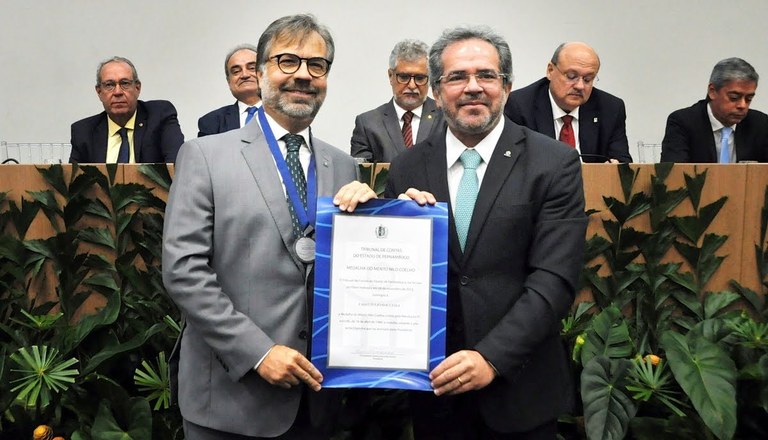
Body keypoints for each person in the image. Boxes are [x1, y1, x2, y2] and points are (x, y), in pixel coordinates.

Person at [162, 14, 375, 440]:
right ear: (259, 73)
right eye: (287, 61)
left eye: (317, 65)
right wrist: (258, 353)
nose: (303, 75)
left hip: (316, 401)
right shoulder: (204, 155)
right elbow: (184, 271)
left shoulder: (344, 166)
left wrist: (385, 219)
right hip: (231, 396)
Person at [385, 26, 588, 439]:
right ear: (437, 92)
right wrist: (362, 211)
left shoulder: (555, 163)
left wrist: (490, 358)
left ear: (507, 87)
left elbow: (554, 280)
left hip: (520, 393)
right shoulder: (406, 167)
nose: (473, 87)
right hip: (435, 394)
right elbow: (391, 274)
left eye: (486, 75)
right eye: (457, 77)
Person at [504, 42, 632, 163]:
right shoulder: (518, 105)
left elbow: (623, 166)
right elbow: (511, 163)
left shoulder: (611, 108)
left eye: (588, 79)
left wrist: (613, 167)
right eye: (571, 76)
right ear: (550, 71)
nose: (580, 86)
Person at [70, 56, 184, 163]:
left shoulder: (160, 116)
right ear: (99, 92)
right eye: (109, 85)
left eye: (125, 83)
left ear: (137, 88)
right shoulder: (83, 132)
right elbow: (74, 181)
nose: (117, 92)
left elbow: (177, 167)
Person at [350, 39, 443, 162]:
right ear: (390, 76)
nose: (412, 85)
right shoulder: (368, 124)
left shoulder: (444, 118)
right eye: (404, 77)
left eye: (420, 78)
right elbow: (362, 176)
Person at [661, 57, 768, 163]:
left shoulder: (761, 124)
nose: (742, 105)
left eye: (749, 99)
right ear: (712, 91)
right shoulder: (683, 122)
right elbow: (673, 173)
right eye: (734, 97)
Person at [198, 44, 262, 137]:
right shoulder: (212, 122)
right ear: (229, 81)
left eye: (252, 68)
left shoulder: (285, 114)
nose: (244, 75)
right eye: (236, 71)